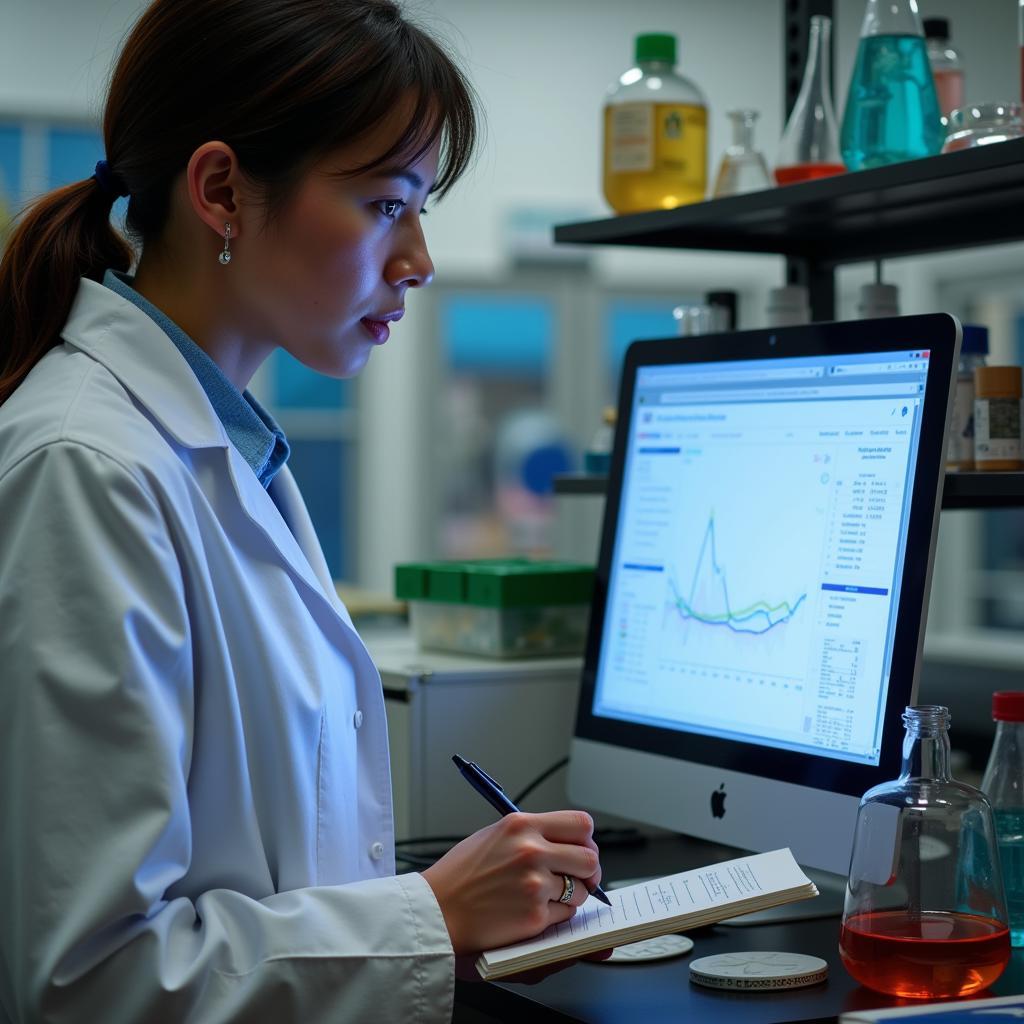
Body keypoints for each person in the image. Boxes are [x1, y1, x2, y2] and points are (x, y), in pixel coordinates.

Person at [0, 1, 605, 1020]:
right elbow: (86, 980)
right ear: (224, 191)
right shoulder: (90, 467)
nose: (416, 258)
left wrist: (433, 930)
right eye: (383, 204)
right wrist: (430, 919)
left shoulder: (228, 450)